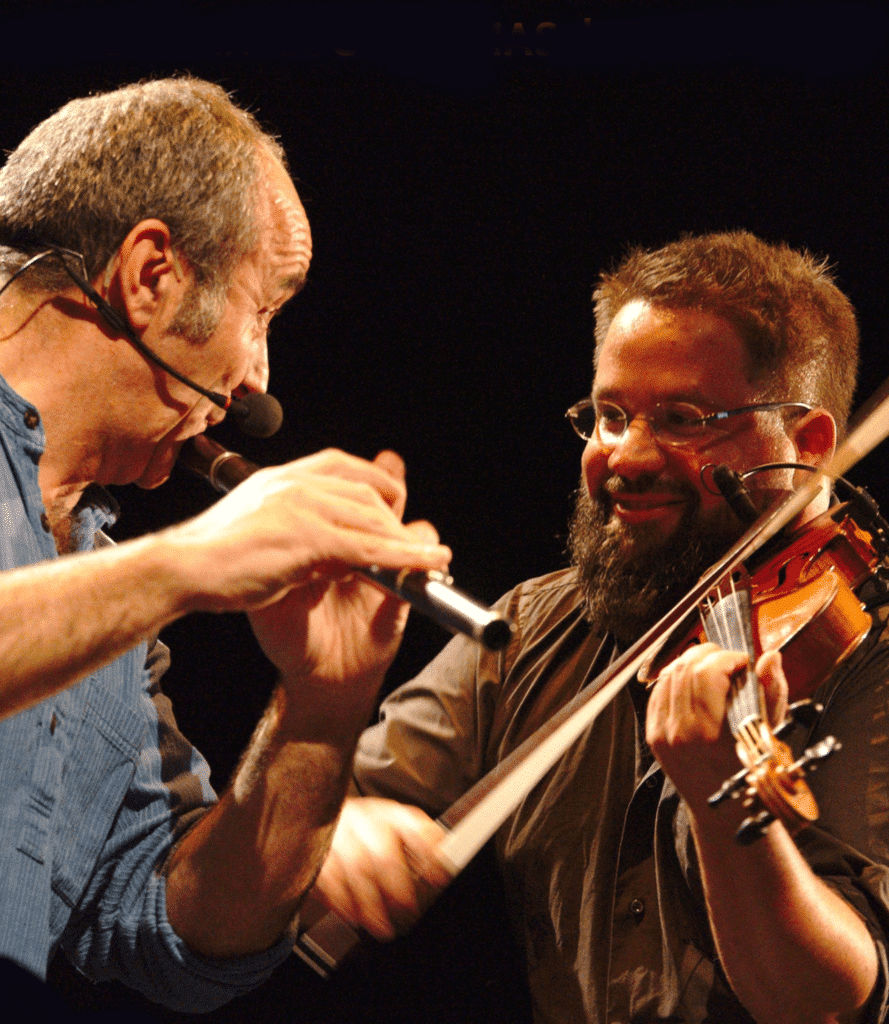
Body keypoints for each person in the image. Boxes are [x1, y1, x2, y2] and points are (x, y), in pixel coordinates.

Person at [311, 231, 889, 1023]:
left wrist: (723, 808)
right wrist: (341, 824)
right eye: (611, 414)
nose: (626, 455)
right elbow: (323, 807)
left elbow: (822, 1002)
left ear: (809, 445)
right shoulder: (531, 626)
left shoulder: (864, 649)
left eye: (683, 419)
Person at [0, 77, 452, 1010]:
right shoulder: (141, 581)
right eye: (263, 311)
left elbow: (180, 933)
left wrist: (321, 710)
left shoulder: (98, 586)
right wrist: (188, 564)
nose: (257, 383)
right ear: (150, 274)